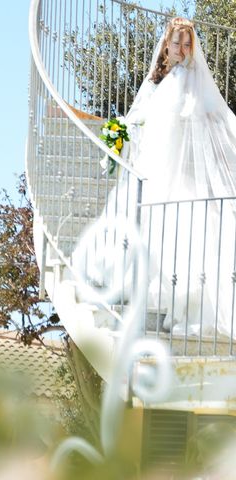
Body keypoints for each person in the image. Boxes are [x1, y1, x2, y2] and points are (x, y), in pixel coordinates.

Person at [74, 17, 236, 340]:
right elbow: (140, 118)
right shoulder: (157, 79)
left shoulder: (193, 81)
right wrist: (122, 133)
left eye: (187, 43)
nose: (182, 49)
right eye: (177, 42)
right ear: (166, 44)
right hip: (155, 170)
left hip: (181, 173)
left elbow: (207, 123)